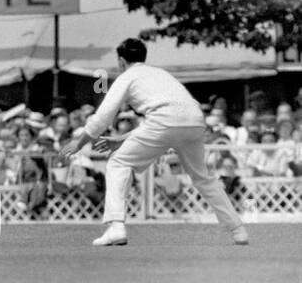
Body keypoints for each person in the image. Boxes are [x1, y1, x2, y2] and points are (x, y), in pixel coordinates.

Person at [58, 37, 248, 247]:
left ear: (121, 61)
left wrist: (79, 142)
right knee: (203, 178)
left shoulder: (127, 76)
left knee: (118, 163)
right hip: (194, 120)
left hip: (166, 121)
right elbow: (169, 115)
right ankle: (238, 229)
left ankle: (116, 227)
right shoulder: (161, 74)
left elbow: (104, 117)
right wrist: (121, 139)